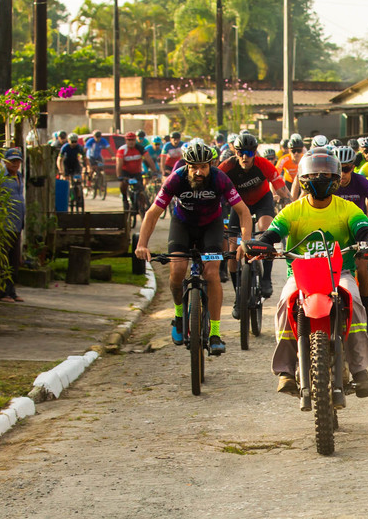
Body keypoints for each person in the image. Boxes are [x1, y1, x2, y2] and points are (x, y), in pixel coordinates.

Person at [246, 149, 368, 402]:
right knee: (284, 303)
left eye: (326, 173)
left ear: (336, 177)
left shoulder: (347, 208)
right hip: (300, 275)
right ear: (303, 178)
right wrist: (263, 244)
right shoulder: (293, 210)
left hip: (340, 273)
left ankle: (359, 369)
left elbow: (362, 229)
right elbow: (273, 232)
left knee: (355, 301)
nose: (320, 178)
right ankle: (286, 371)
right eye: (314, 173)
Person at [134, 140, 253, 356]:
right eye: (194, 167)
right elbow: (152, 213)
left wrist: (244, 242)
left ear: (210, 165)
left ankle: (215, 333)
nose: (199, 172)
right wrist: (142, 244)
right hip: (182, 226)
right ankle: (179, 315)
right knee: (178, 271)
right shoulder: (176, 179)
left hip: (211, 226)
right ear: (186, 165)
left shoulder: (219, 178)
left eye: (203, 167)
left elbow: (243, 212)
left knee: (212, 273)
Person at [218, 132, 290, 310]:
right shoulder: (227, 166)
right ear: (235, 152)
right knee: (233, 250)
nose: (245, 157)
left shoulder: (263, 164)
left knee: (266, 232)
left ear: (255, 153)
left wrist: (290, 204)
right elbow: (213, 188)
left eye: (249, 153)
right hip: (239, 205)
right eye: (240, 152)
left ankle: (266, 278)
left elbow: (281, 189)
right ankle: (238, 295)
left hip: (262, 201)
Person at [329, 145, 368, 337]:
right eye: (338, 169)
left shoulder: (361, 181)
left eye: (347, 169)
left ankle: (366, 311)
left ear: (353, 167)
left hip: (358, 231)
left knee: (362, 269)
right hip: (332, 231)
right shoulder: (328, 182)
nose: (342, 174)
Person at [0, 148, 27, 303]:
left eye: (17, 161)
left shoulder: (19, 176)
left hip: (17, 224)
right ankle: (1, 293)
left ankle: (11, 291)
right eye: (12, 161)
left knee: (14, 260)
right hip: (4, 224)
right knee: (3, 260)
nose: (15, 164)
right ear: (5, 162)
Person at [116, 132, 154, 214]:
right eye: (129, 140)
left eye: (133, 140)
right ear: (126, 141)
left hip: (136, 172)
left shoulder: (140, 148)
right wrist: (119, 176)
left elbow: (149, 159)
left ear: (135, 140)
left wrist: (154, 170)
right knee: (123, 185)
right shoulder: (122, 150)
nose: (131, 142)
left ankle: (142, 206)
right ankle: (125, 199)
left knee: (141, 189)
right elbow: (119, 163)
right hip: (125, 172)